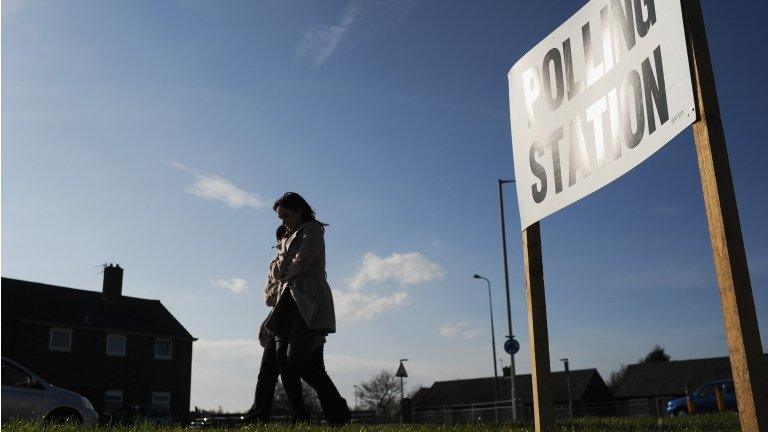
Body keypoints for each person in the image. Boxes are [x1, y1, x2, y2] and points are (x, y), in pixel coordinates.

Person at [264, 192, 350, 425]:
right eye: (280, 218)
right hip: (286, 303)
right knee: (283, 361)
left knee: (297, 361)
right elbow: (274, 270)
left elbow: (301, 263)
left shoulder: (312, 231)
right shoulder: (285, 236)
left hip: (308, 301)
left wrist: (282, 267)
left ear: (299, 211)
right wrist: (283, 266)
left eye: (286, 216)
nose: (283, 222)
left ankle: (339, 409)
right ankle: (301, 416)